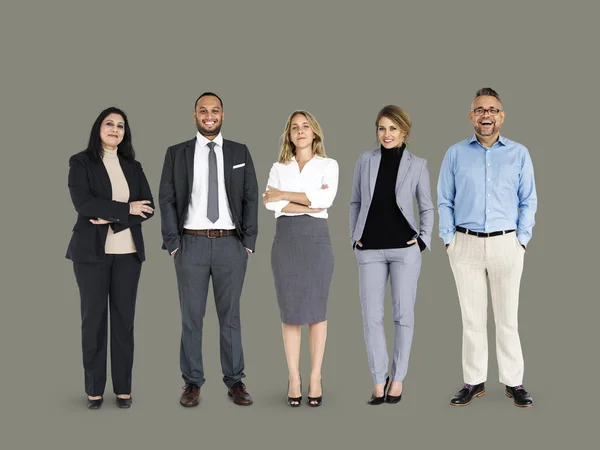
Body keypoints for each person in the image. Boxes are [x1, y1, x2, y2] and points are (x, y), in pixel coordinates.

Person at [437, 87, 537, 408]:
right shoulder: (455, 153)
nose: (486, 115)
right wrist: (449, 239)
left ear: (502, 116)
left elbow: (528, 199)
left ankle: (514, 382)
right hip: (464, 244)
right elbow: (444, 199)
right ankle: (474, 380)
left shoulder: (519, 153)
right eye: (480, 110)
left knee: (508, 317)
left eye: (492, 110)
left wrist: (521, 239)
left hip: (507, 243)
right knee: (472, 318)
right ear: (471, 117)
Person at [159, 92, 258, 407]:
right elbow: (167, 198)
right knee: (191, 317)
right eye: (203, 110)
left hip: (231, 244)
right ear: (195, 115)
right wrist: (174, 244)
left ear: (223, 115)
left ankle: (235, 381)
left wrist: (249, 243)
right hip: (192, 244)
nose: (209, 115)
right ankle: (192, 383)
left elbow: (251, 196)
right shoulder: (177, 153)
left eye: (215, 110)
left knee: (231, 317)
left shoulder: (240, 151)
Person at [66, 106, 155, 409]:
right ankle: (93, 389)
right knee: (93, 321)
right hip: (91, 254)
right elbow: (83, 203)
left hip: (128, 254)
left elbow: (148, 206)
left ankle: (123, 389)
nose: (115, 129)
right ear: (98, 128)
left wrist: (114, 216)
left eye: (121, 125)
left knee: (123, 323)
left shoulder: (133, 165)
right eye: (109, 124)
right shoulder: (81, 162)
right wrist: (125, 209)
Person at [349, 105, 433, 405]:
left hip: (404, 250)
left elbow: (426, 206)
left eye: (393, 129)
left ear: (404, 132)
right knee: (371, 317)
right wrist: (354, 237)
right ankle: (377, 378)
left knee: (403, 316)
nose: (387, 134)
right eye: (382, 128)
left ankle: (397, 379)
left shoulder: (418, 164)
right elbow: (355, 201)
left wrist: (422, 241)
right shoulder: (364, 160)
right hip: (369, 249)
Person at [263, 110, 338, 407]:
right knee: (290, 311)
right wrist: (304, 200)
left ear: (315, 132)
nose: (300, 131)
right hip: (286, 241)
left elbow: (325, 202)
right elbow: (272, 205)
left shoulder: (328, 165)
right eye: (295, 127)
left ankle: (316, 376)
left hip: (317, 241)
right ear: (289, 134)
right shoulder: (278, 167)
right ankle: (294, 377)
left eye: (305, 126)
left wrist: (286, 196)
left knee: (317, 310)